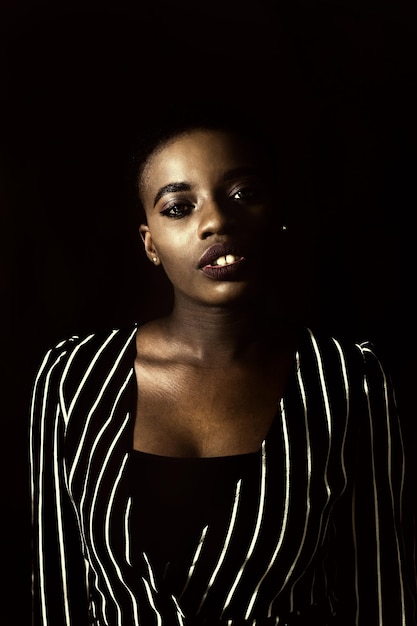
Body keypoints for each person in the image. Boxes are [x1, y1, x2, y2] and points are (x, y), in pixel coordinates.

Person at [30, 103, 416, 625]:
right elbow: (58, 590)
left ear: (276, 215)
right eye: (177, 207)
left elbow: (382, 594)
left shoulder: (350, 381)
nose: (215, 221)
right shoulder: (73, 377)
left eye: (243, 194)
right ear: (149, 243)